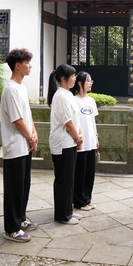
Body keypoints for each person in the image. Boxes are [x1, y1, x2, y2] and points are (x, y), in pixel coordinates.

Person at [1, 49, 38, 243]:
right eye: (27, 62)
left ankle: (21, 218)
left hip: (25, 144)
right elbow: (17, 119)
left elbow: (27, 115)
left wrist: (34, 133)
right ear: (17, 65)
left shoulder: (21, 88)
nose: (30, 66)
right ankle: (11, 228)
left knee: (24, 185)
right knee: (14, 188)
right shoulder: (10, 89)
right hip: (15, 145)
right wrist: (30, 137)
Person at [48, 64, 84, 224]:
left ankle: (68, 210)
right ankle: (62, 215)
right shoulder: (60, 96)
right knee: (63, 180)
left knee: (69, 179)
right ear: (63, 78)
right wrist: (78, 138)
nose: (75, 79)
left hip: (70, 141)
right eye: (73, 76)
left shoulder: (68, 94)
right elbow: (68, 122)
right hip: (63, 143)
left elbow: (76, 119)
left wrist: (79, 136)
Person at [72, 72, 99, 211]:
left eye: (91, 80)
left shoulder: (91, 101)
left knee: (90, 172)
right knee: (80, 173)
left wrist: (96, 137)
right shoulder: (74, 100)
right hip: (80, 142)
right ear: (80, 83)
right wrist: (77, 138)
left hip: (91, 141)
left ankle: (87, 199)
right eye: (88, 81)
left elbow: (93, 121)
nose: (90, 83)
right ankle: (79, 201)